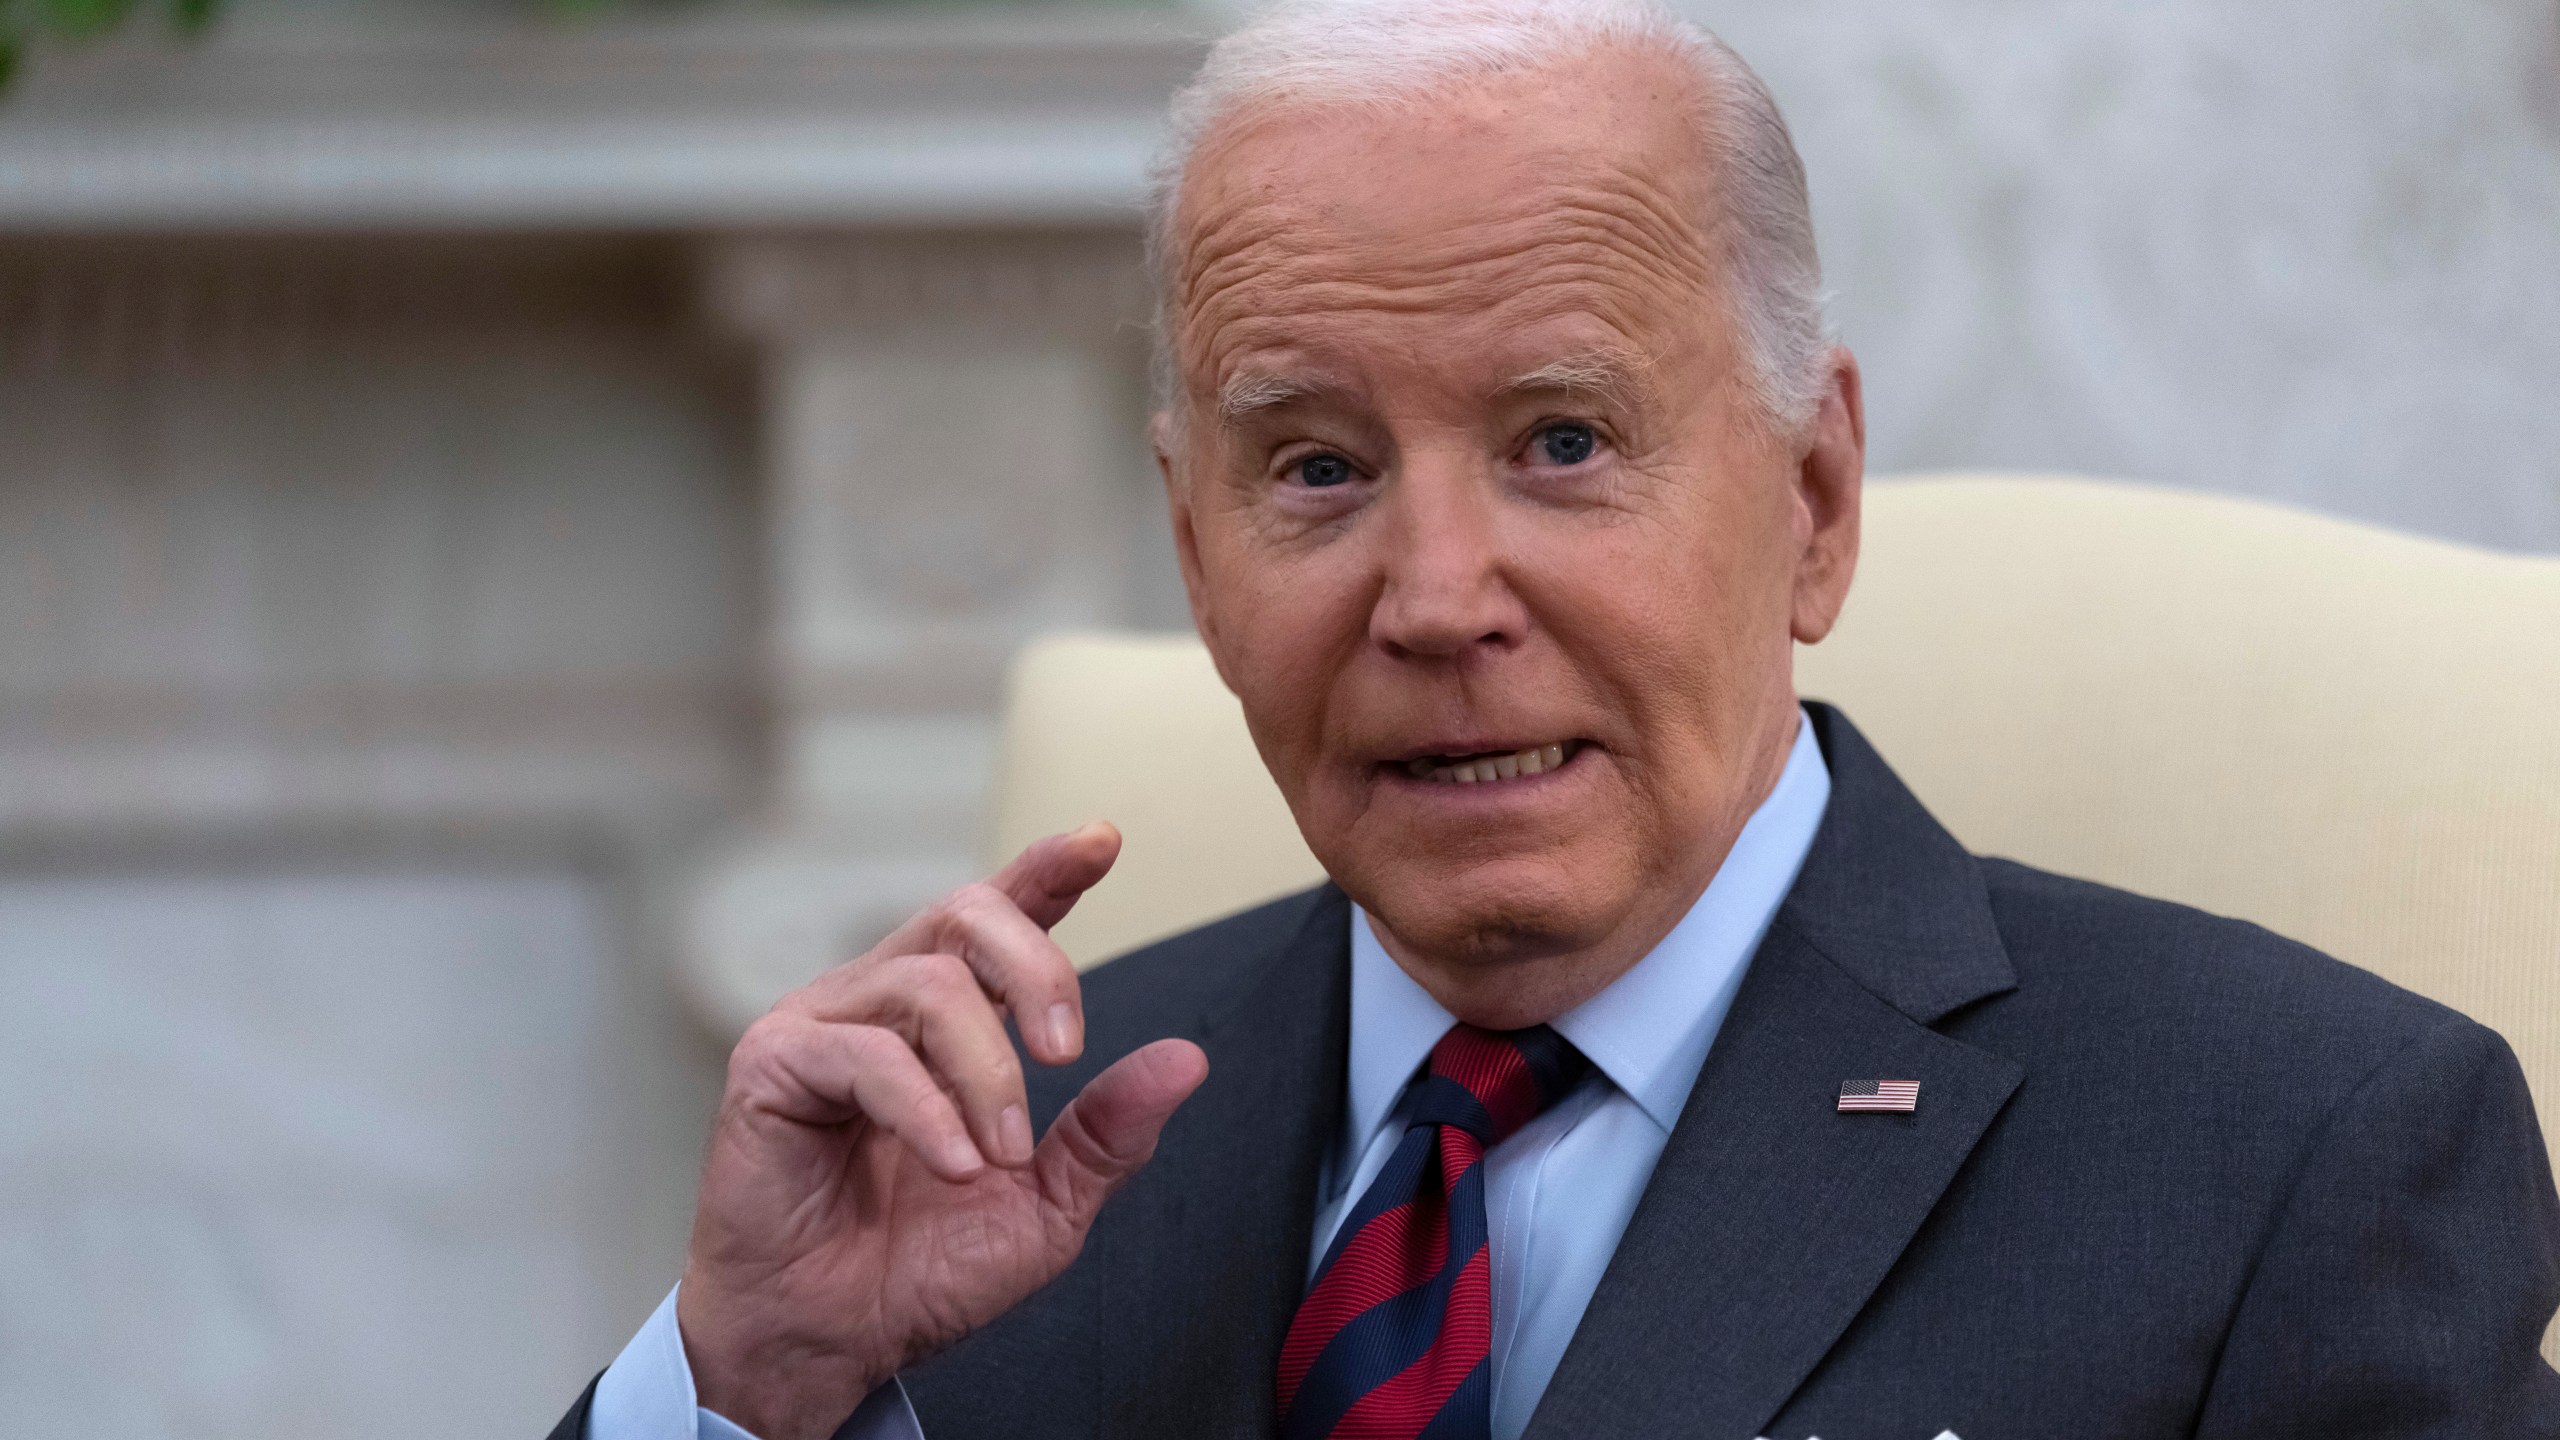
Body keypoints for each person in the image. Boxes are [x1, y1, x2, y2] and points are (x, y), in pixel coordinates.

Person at [553, 2, 2560, 1436]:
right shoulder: (999, 1178)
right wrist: (743, 1389)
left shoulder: (2295, 1156)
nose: (1433, 600)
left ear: (1807, 503)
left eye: (1563, 440)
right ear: (1191, 548)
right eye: (1316, 471)